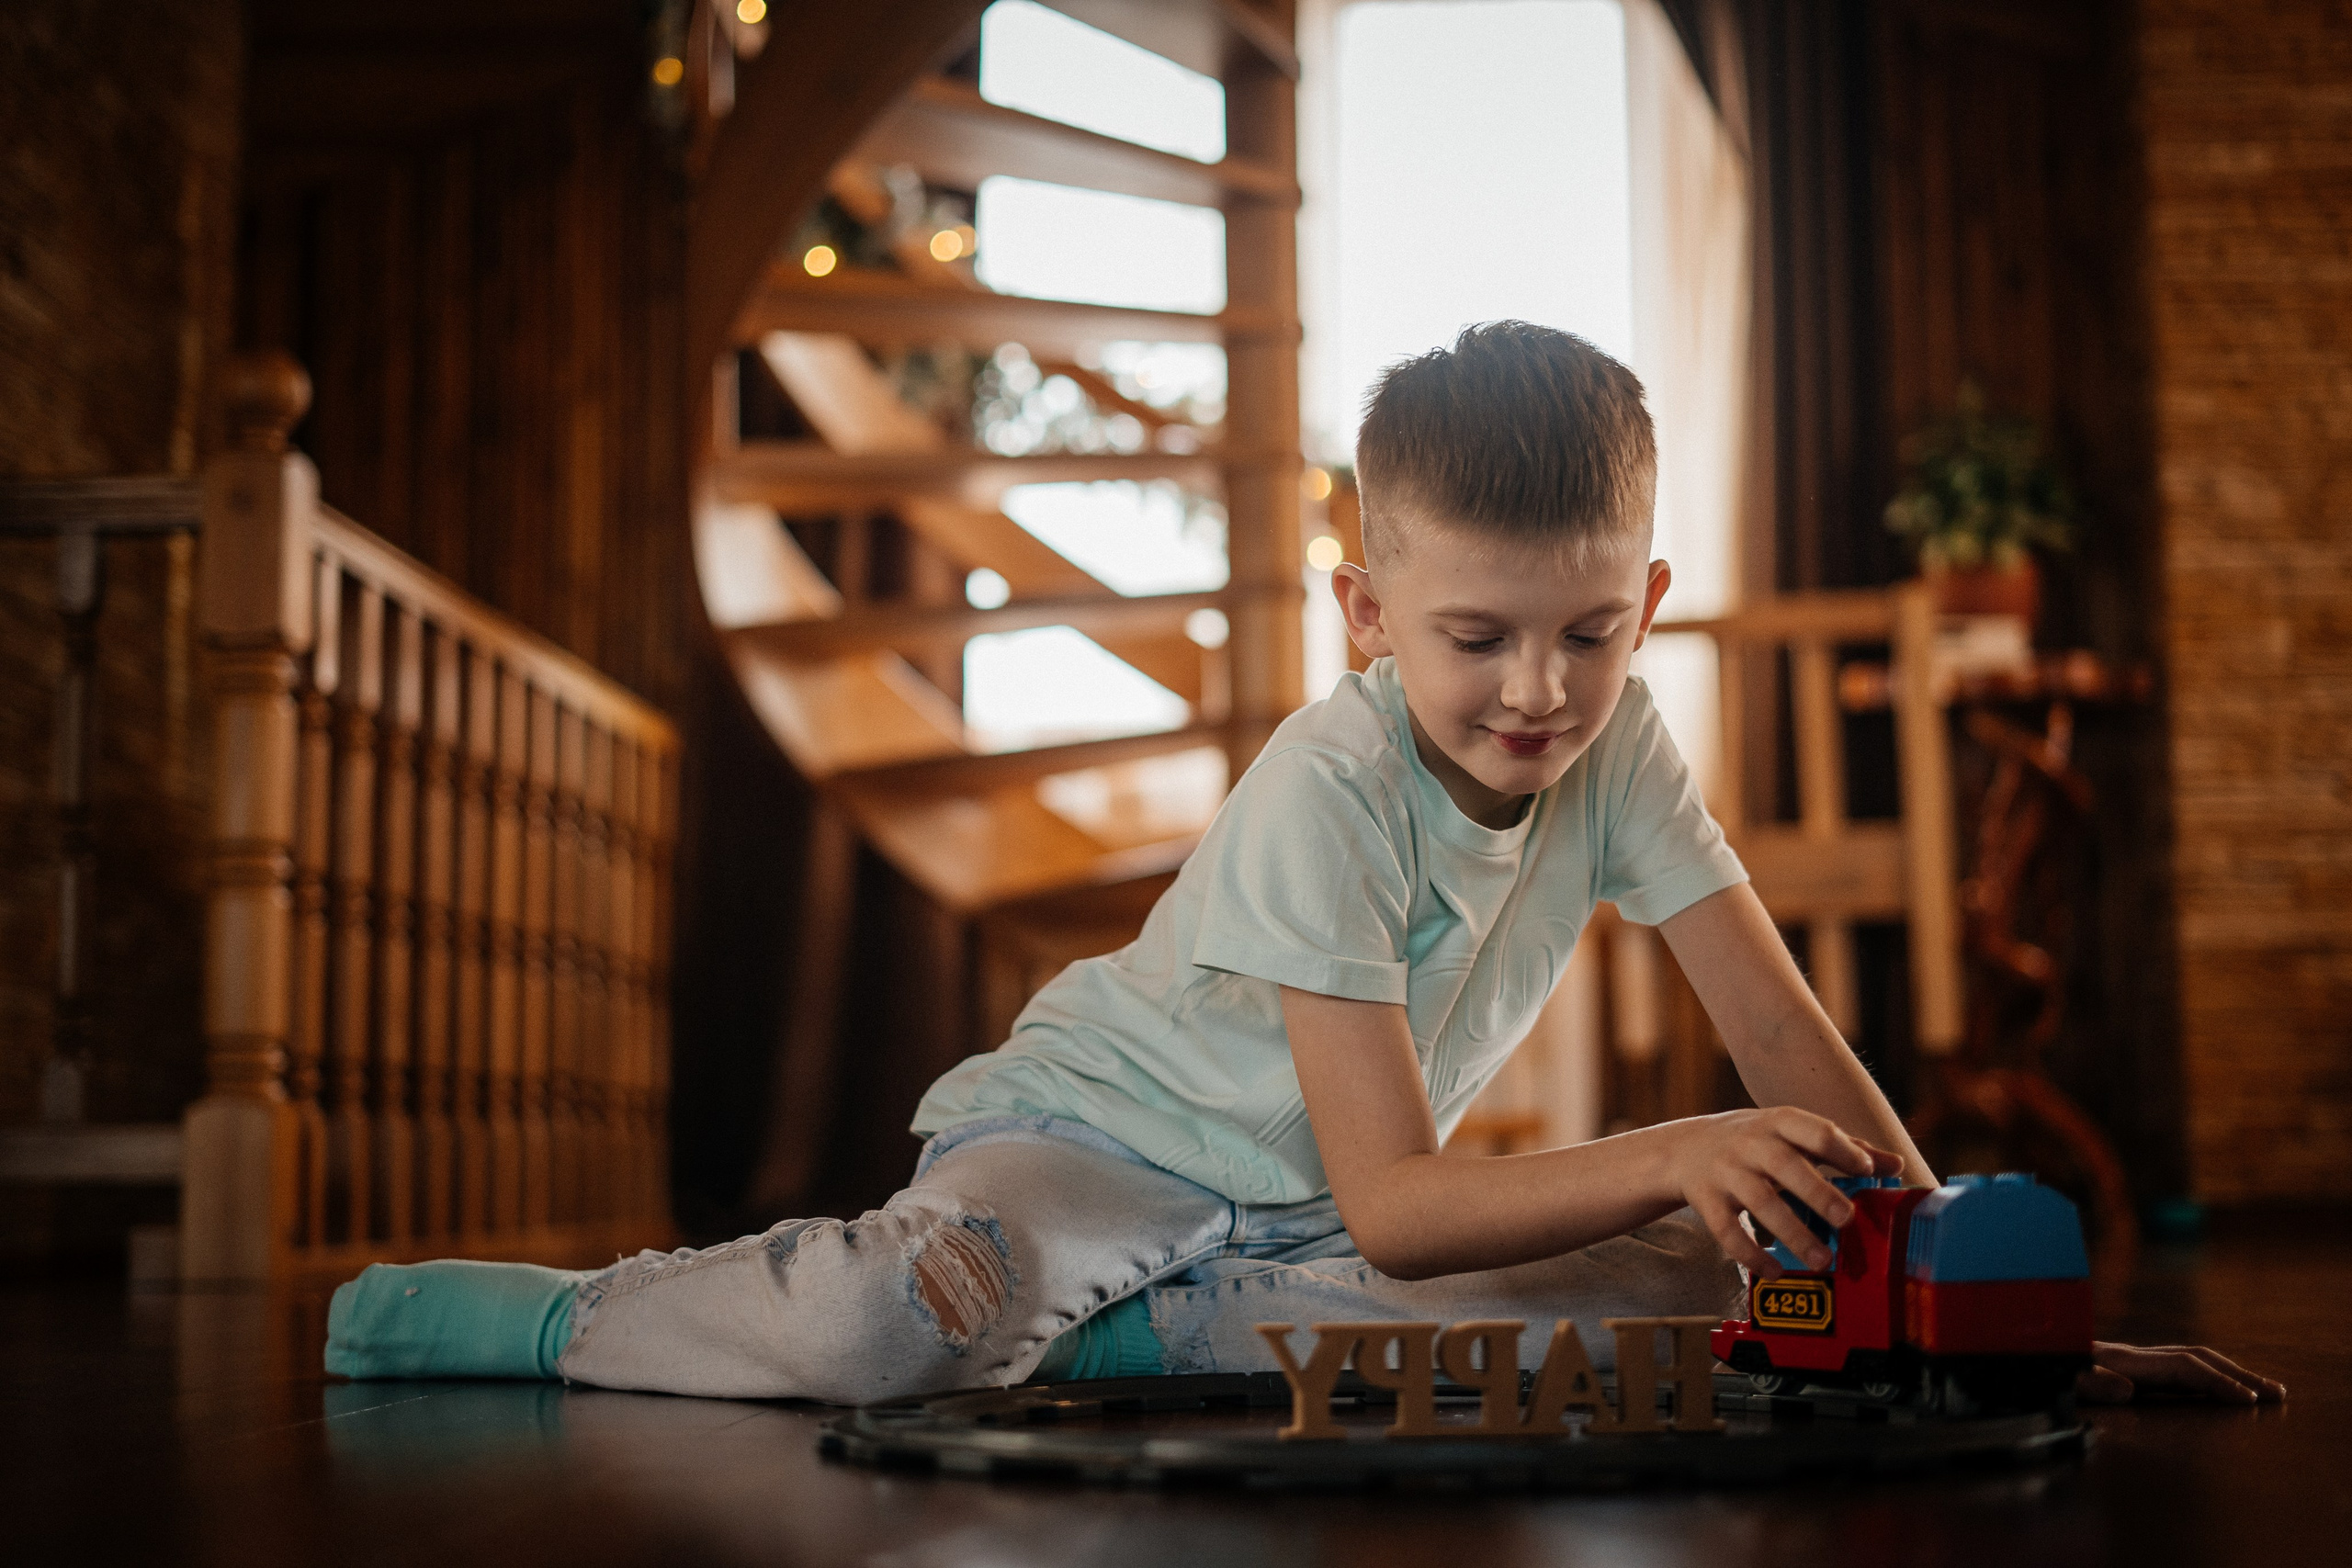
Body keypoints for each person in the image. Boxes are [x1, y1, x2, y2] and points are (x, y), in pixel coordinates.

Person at [327, 323, 2279, 1409]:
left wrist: (1967, 1291)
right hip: (1102, 1140)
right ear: (1364, 610)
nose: (1537, 691)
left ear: (1646, 603)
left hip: (1314, 1232)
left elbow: (1781, 1038)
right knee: (873, 1331)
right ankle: (539, 1317)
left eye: (1590, 633)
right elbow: (1413, 1199)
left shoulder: (1622, 751)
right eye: (1476, 638)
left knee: (1708, 1299)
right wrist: (1675, 1147)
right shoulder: (1316, 789)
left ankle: (1123, 1337)